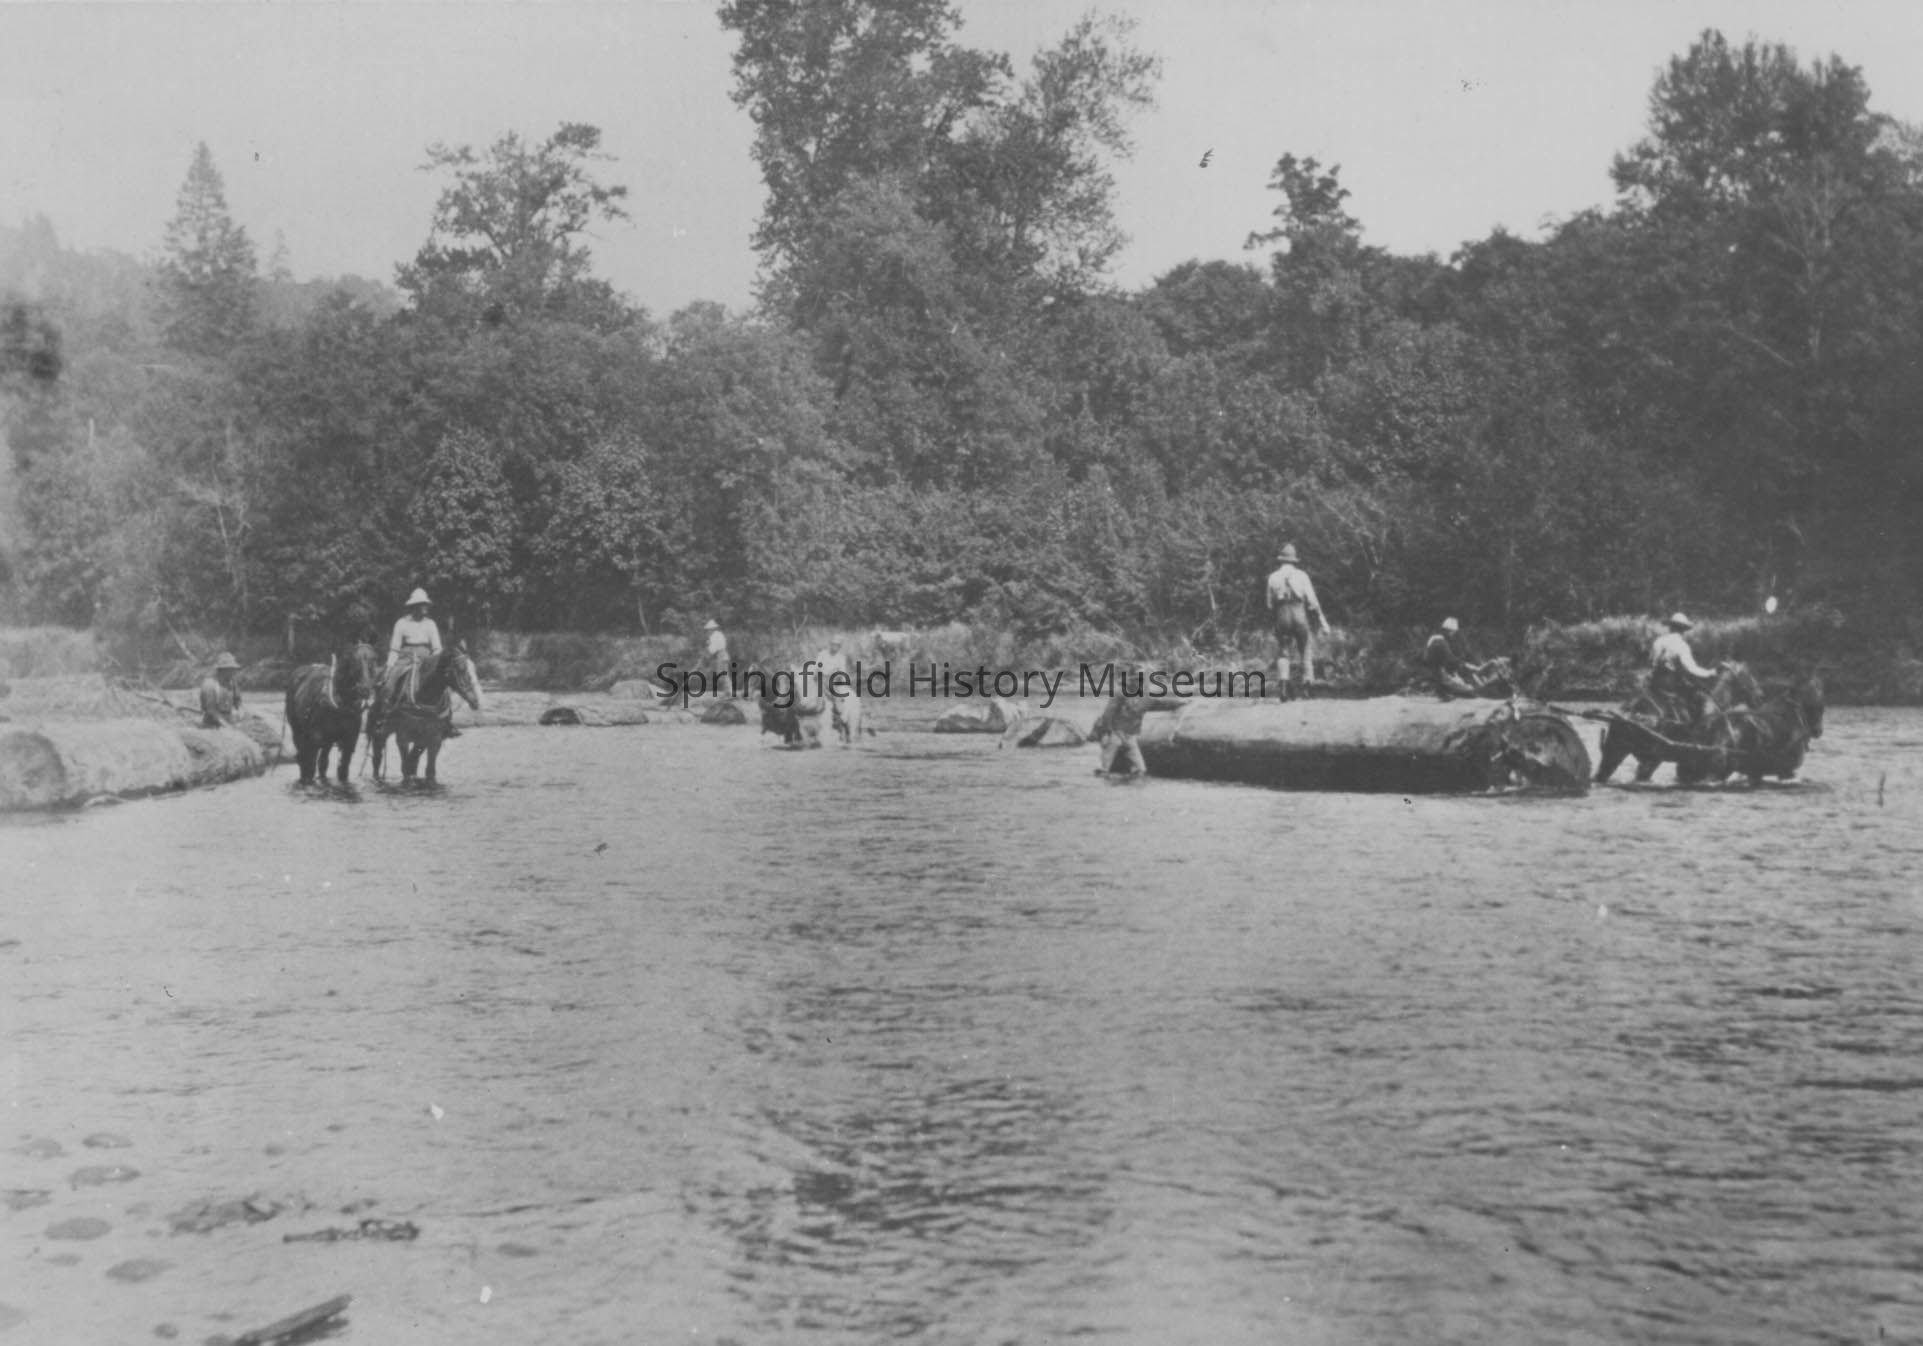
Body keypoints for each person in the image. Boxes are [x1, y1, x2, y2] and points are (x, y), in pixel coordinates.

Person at [1265, 544, 1328, 699]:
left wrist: (1275, 620)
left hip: (1282, 615)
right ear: (1294, 560)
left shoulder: (1273, 577)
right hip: (1298, 613)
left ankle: (1283, 688)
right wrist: (1322, 621)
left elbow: (1269, 604)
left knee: (1283, 650)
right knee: (1305, 649)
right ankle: (1307, 687)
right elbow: (1313, 601)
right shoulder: (1302, 575)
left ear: (1281, 560)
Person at [1649, 612, 1720, 729]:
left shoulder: (1658, 641)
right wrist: (1710, 673)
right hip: (1669, 685)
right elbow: (1691, 669)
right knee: (1700, 696)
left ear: (1670, 627)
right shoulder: (1681, 645)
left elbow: (1652, 661)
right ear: (1683, 630)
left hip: (1655, 682)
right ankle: (1697, 727)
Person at [1421, 617, 1493, 698]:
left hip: (1434, 668)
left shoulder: (1434, 638)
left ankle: (1443, 690)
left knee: (1451, 681)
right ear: (1449, 631)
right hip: (1439, 671)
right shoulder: (1441, 642)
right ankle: (1445, 689)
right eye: (1453, 632)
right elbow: (1450, 658)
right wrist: (1465, 665)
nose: (1452, 635)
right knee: (1471, 691)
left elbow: (1444, 658)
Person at [199, 652, 244, 728]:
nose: (234, 672)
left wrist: (240, 712)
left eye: (234, 669)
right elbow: (211, 711)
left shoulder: (232, 682)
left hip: (228, 718)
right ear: (223, 670)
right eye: (231, 669)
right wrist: (226, 726)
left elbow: (238, 701)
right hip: (211, 723)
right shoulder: (209, 685)